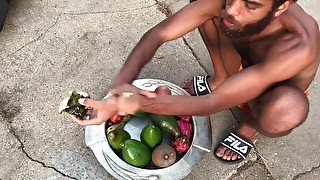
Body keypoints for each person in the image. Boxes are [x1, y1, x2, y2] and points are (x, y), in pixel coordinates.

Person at [71, 0, 320, 164]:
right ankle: (221, 77)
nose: (233, 8)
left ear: (281, 6)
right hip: (238, 68)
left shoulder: (299, 44)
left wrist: (135, 104)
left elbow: (214, 102)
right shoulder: (231, 6)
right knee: (206, 10)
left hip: (268, 90)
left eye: (251, 4)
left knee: (286, 110)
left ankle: (251, 126)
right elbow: (158, 34)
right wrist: (118, 89)